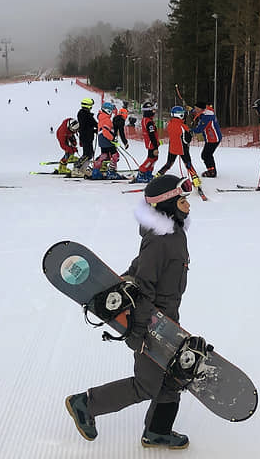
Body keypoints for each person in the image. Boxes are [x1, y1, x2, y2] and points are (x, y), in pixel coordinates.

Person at [65, 174, 193, 450]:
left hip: (169, 320)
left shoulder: (173, 234)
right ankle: (86, 404)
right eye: (181, 198)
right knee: (146, 385)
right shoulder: (160, 241)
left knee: (172, 377)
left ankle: (158, 431)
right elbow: (144, 285)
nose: (187, 203)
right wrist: (140, 330)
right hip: (152, 324)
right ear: (167, 205)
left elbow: (135, 270)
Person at [155, 106, 200, 187]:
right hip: (183, 149)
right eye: (182, 114)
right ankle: (195, 179)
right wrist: (189, 133)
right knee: (188, 164)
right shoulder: (183, 126)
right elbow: (187, 140)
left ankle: (157, 176)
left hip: (172, 149)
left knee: (168, 164)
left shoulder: (170, 124)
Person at [90, 102, 125, 180]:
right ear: (107, 110)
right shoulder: (106, 120)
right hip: (107, 140)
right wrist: (112, 138)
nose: (112, 112)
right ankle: (111, 172)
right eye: (111, 111)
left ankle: (96, 171)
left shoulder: (102, 117)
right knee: (115, 155)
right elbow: (106, 131)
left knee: (104, 155)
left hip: (102, 140)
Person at [191, 101, 222, 176]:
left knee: (206, 155)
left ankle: (212, 172)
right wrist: (191, 110)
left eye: (196, 108)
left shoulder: (207, 117)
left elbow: (199, 129)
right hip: (212, 138)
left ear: (200, 108)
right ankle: (212, 170)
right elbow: (198, 113)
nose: (195, 110)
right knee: (207, 154)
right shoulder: (207, 112)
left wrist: (189, 130)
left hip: (213, 138)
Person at [132, 102, 160, 183]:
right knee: (151, 159)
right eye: (153, 110)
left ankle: (148, 173)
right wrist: (155, 146)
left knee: (154, 158)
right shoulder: (149, 122)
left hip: (151, 143)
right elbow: (151, 135)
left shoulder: (147, 120)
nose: (154, 112)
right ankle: (141, 173)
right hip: (151, 144)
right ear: (149, 111)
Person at [73, 97, 97, 177]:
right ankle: (76, 168)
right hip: (86, 136)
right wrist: (95, 129)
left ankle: (83, 168)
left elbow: (89, 125)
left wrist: (94, 130)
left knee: (90, 154)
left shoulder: (83, 114)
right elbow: (91, 124)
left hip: (87, 136)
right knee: (87, 154)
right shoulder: (85, 115)